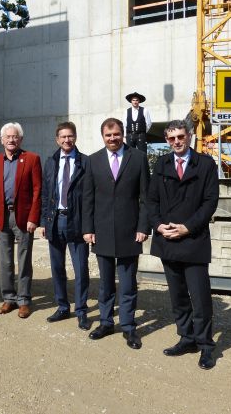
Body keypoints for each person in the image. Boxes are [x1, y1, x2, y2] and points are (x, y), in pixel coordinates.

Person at [147, 119, 219, 369]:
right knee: (177, 297)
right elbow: (151, 200)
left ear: (189, 136)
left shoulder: (206, 164)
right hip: (168, 239)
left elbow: (210, 201)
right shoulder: (162, 164)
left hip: (193, 239)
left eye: (180, 136)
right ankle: (186, 337)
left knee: (200, 298)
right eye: (171, 138)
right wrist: (157, 225)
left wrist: (188, 227)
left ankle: (206, 345)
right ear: (167, 140)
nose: (176, 141)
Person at [82, 118, 149, 349]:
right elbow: (88, 198)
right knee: (105, 283)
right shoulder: (93, 161)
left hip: (130, 232)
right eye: (109, 135)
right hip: (101, 232)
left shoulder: (138, 158)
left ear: (123, 134)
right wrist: (87, 229)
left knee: (128, 283)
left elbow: (145, 198)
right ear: (103, 136)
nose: (113, 138)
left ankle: (129, 327)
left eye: (117, 134)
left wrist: (143, 227)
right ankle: (106, 322)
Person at [0, 122, 42, 319]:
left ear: (21, 139)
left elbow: (37, 191)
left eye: (15, 136)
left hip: (24, 219)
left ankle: (24, 300)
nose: (11, 140)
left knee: (24, 260)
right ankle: (9, 298)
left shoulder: (32, 159)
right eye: (8, 137)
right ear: (1, 140)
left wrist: (34, 217)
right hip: (2, 218)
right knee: (5, 261)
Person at [40, 122, 91, 330]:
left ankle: (81, 310)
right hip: (55, 221)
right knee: (57, 268)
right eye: (62, 137)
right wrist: (44, 221)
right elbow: (45, 194)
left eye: (70, 136)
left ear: (75, 137)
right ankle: (62, 306)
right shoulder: (51, 162)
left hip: (77, 221)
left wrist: (89, 225)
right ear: (57, 139)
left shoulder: (86, 162)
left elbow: (90, 197)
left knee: (81, 268)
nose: (66, 140)